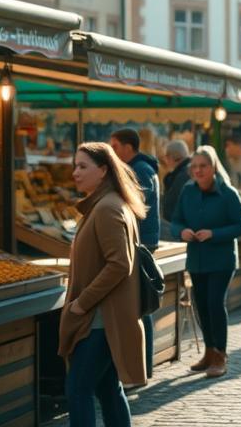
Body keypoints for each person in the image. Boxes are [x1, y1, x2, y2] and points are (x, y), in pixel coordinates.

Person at [59, 142, 147, 427]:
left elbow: (120, 264)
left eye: (83, 166)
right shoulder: (105, 204)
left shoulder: (107, 208)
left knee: (78, 389)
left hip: (100, 319)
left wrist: (82, 303)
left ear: (104, 170)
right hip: (105, 317)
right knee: (108, 389)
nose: (75, 173)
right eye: (75, 165)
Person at [171, 146, 241, 378]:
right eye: (194, 167)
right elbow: (176, 221)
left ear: (213, 167)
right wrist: (182, 231)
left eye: (203, 166)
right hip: (197, 259)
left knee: (215, 303)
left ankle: (220, 356)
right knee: (201, 305)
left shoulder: (228, 193)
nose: (198, 170)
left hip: (221, 259)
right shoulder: (188, 192)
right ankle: (208, 351)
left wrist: (214, 233)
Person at [110, 128, 160, 378]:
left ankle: (143, 366)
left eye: (116, 147)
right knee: (139, 305)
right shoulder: (143, 168)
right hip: (141, 241)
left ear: (129, 147)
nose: (113, 152)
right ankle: (141, 366)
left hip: (139, 242)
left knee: (139, 306)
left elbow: (136, 204)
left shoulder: (140, 170)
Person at [159, 139, 192, 230]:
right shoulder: (187, 171)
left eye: (166, 157)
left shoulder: (182, 176)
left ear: (171, 157)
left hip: (181, 228)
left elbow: (171, 205)